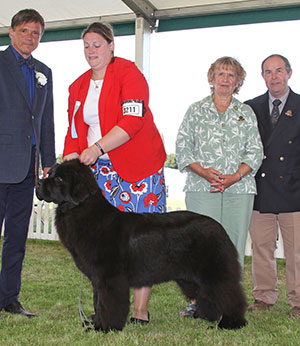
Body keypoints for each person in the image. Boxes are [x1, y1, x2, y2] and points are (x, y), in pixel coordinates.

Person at [63, 22, 166, 325]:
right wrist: (71, 159)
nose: (91, 50)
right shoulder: (78, 86)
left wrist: (96, 148)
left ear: (111, 46)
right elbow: (73, 131)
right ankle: (107, 308)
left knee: (142, 238)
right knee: (103, 244)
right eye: (86, 45)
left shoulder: (129, 74)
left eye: (97, 44)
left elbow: (133, 120)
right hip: (99, 173)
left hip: (138, 168)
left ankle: (140, 310)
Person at [176, 56, 263, 317]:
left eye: (231, 75)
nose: (225, 79)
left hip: (239, 189)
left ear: (238, 82)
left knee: (233, 246)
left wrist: (236, 175)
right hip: (202, 189)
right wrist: (202, 171)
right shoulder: (195, 110)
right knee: (201, 248)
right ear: (211, 78)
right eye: (221, 74)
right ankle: (198, 303)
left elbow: (256, 151)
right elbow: (182, 148)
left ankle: (228, 303)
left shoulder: (245, 113)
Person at [0, 9, 56, 318]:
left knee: (17, 239)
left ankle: (9, 298)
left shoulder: (45, 71)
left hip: (28, 169)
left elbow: (45, 120)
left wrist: (49, 161)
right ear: (11, 32)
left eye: (36, 33)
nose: (30, 37)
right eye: (24, 31)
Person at [245, 54, 300, 318]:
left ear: (289, 73)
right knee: (262, 247)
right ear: (262, 76)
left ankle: (298, 302)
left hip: (295, 191)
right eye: (268, 71)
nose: (274, 76)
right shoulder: (250, 107)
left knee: (296, 251)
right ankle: (264, 296)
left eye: (279, 71)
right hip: (261, 192)